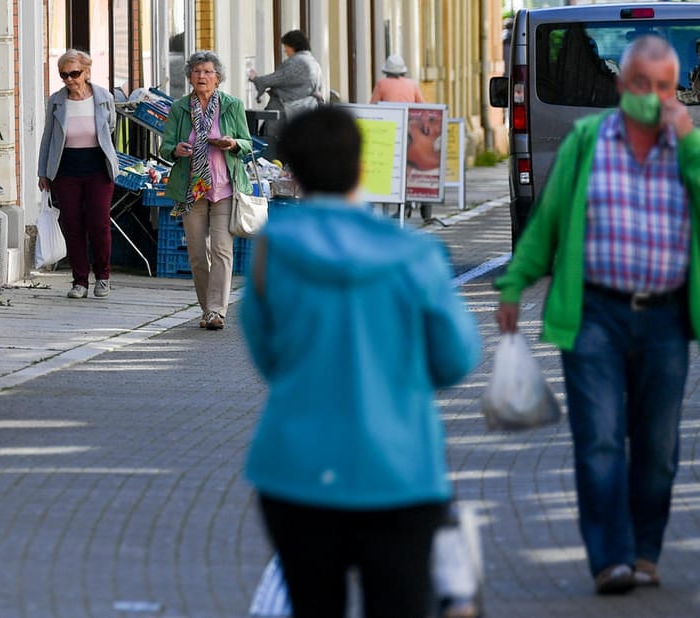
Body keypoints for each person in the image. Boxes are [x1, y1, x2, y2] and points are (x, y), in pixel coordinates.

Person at [241, 106, 481, 617]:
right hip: (400, 470)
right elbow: (456, 358)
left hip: (296, 469)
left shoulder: (271, 251)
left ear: (294, 173)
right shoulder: (415, 256)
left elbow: (267, 356)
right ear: (360, 165)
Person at [495, 35, 700, 596]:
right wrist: (514, 282)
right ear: (620, 86)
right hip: (594, 315)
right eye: (642, 85)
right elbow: (549, 220)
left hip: (664, 319)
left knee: (656, 448)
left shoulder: (688, 148)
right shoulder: (588, 141)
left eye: (665, 87)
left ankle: (646, 550)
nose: (654, 98)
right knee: (601, 439)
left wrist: (689, 148)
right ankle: (610, 558)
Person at [159, 51, 253, 331]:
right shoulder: (179, 108)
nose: (202, 76)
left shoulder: (232, 105)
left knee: (222, 250)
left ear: (218, 78)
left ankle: (216, 311)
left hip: (224, 187)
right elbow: (165, 147)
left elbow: (247, 143)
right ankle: (206, 308)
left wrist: (232, 143)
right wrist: (176, 150)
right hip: (192, 190)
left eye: (208, 72)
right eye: (197, 71)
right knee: (198, 254)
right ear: (189, 76)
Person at [37, 49, 120, 299]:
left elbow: (111, 127)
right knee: (72, 225)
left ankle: (103, 277)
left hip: (97, 166)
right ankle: (80, 281)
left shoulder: (103, 97)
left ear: (87, 71)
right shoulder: (56, 101)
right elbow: (48, 137)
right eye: (64, 75)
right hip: (66, 168)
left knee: (99, 223)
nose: (70, 79)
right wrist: (43, 172)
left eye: (75, 73)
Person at [371, 54, 433, 221]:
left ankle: (399, 206)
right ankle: (420, 200)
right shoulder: (412, 85)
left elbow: (373, 107)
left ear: (387, 71)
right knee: (409, 168)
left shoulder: (382, 84)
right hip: (411, 133)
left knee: (393, 169)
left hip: (390, 132)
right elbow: (423, 107)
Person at [247, 29, 326, 128]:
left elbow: (274, 79)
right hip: (304, 112)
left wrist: (255, 78)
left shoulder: (297, 62)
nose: (285, 50)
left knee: (272, 139)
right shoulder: (312, 62)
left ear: (293, 46)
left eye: (286, 46)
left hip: (286, 113)